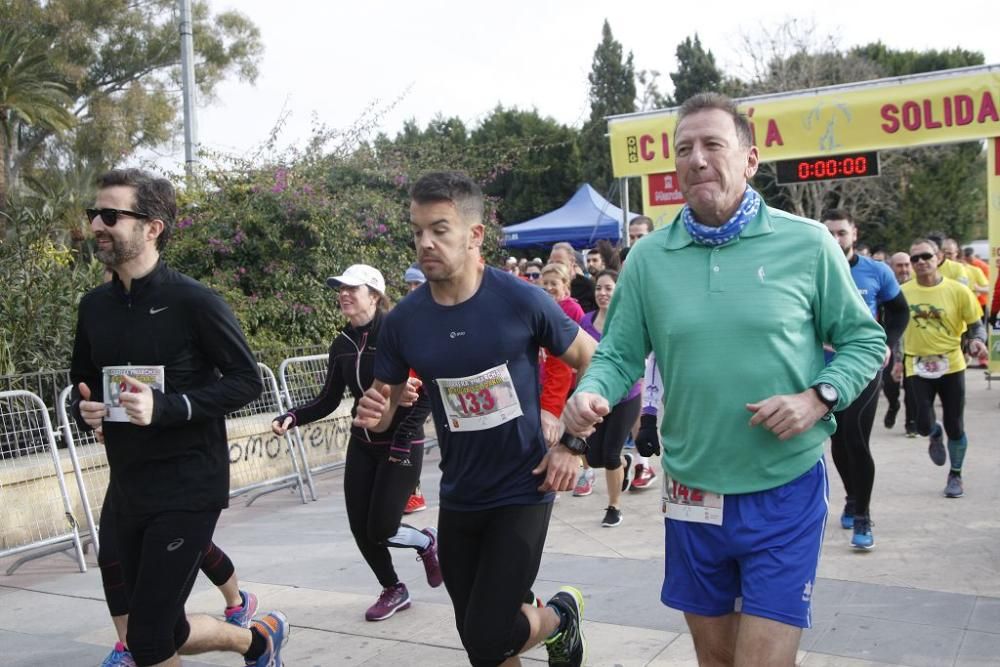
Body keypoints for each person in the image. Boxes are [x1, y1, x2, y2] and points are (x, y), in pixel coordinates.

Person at [561, 93, 886, 666]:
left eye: (713, 145)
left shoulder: (806, 243)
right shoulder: (649, 258)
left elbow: (866, 341)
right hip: (692, 493)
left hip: (783, 489)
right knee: (716, 661)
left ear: (750, 160)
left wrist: (819, 398)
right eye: (684, 149)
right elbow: (618, 355)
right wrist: (591, 393)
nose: (697, 159)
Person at [354, 171, 596, 667]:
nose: (426, 242)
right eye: (418, 230)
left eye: (440, 229)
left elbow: (593, 359)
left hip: (523, 488)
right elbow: (386, 411)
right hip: (461, 494)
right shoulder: (404, 322)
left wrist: (573, 444)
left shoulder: (520, 300)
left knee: (486, 637)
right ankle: (551, 624)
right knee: (482, 642)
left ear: (475, 234)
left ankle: (559, 617)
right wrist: (375, 415)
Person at [70, 169, 287, 667]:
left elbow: (246, 381)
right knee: (165, 628)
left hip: (188, 484)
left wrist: (165, 406)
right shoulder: (94, 307)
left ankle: (257, 641)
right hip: (127, 486)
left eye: (110, 215)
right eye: (94, 215)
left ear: (152, 227)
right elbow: (81, 384)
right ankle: (258, 642)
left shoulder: (193, 301)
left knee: (145, 641)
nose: (97, 226)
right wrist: (86, 411)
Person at [271, 264, 441, 621]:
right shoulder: (342, 345)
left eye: (353, 288)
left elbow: (426, 392)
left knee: (382, 527)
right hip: (362, 443)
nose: (344, 294)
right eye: (341, 288)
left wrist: (402, 440)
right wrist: (294, 415)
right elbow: (328, 399)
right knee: (359, 526)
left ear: (375, 296)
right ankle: (393, 588)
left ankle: (426, 542)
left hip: (401, 444)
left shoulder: (400, 334)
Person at [821, 209, 908, 549]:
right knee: (838, 442)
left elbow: (900, 310)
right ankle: (852, 496)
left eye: (841, 233)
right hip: (824, 369)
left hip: (863, 367)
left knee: (856, 438)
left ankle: (863, 515)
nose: (835, 239)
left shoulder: (876, 271)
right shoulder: (815, 269)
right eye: (829, 233)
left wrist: (886, 343)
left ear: (854, 234)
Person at [899, 239, 987, 498]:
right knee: (923, 424)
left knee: (955, 425)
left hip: (951, 364)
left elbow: (975, 325)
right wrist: (894, 359)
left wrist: (977, 341)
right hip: (916, 364)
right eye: (915, 258)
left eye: (926, 256)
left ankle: (956, 475)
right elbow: (893, 328)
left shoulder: (958, 291)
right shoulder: (903, 292)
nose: (920, 262)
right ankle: (933, 433)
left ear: (938, 258)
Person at [578, 270, 641, 526]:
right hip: (595, 398)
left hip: (626, 397)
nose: (603, 293)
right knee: (593, 458)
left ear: (618, 291)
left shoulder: (627, 321)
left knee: (611, 455)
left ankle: (614, 508)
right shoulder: (585, 321)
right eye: (599, 289)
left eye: (608, 288)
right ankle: (625, 464)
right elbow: (580, 359)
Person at [402, 264, 430, 515]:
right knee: (406, 432)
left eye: (417, 283)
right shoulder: (407, 311)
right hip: (409, 384)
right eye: (409, 284)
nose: (412, 289)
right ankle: (411, 492)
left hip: (429, 385)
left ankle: (414, 493)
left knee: (409, 431)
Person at [885, 252, 918, 436]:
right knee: (890, 386)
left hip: (914, 347)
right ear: (892, 268)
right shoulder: (887, 291)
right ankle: (893, 404)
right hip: (891, 345)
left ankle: (910, 423)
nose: (904, 269)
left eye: (907, 265)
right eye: (899, 265)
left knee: (912, 387)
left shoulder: (919, 288)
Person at [549, 241, 595, 312]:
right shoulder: (547, 287)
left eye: (560, 263)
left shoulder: (587, 285)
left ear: (572, 262)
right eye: (552, 263)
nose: (555, 267)